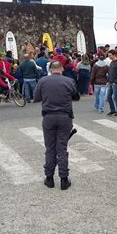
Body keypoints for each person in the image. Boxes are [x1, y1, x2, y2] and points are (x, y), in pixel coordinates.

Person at [33, 61, 80, 190]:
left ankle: (49, 178)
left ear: (50, 69)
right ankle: (64, 180)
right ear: (61, 69)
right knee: (62, 149)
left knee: (50, 148)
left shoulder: (43, 81)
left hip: (48, 117)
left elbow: (36, 98)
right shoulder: (69, 81)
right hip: (65, 117)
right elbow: (76, 97)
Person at [106, 49, 117, 116]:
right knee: (108, 97)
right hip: (110, 82)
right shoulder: (111, 62)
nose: (109, 57)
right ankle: (112, 110)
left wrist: (116, 82)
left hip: (116, 83)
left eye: (110, 55)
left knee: (115, 98)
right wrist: (108, 80)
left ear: (114, 55)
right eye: (108, 55)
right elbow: (109, 72)